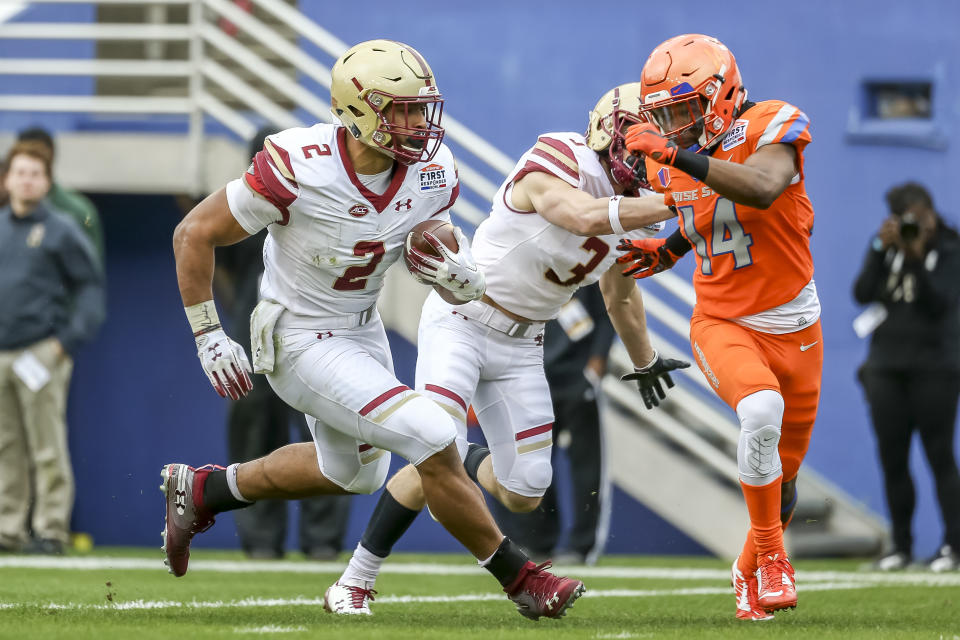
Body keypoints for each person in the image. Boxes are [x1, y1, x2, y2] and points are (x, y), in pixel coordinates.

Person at [160, 39, 586, 621]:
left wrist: (454, 273)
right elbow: (194, 233)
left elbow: (426, 242)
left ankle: (205, 490)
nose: (417, 124)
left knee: (354, 474)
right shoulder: (300, 164)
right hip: (298, 336)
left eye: (420, 109)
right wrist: (208, 334)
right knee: (434, 435)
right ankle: (521, 579)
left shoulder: (431, 172)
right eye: (401, 110)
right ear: (358, 111)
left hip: (361, 329)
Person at [327, 82, 687, 614]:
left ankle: (461, 459)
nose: (649, 157)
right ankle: (356, 579)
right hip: (463, 320)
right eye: (642, 143)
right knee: (432, 449)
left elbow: (620, 290)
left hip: (525, 346)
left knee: (525, 489)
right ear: (610, 134)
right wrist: (684, 196)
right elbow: (582, 217)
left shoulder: (640, 204)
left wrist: (644, 359)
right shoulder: (559, 156)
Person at [618, 34, 821, 620]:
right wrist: (671, 250)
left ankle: (747, 569)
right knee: (758, 411)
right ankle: (774, 559)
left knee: (782, 482)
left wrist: (675, 155)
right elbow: (708, 212)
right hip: (723, 321)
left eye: (684, 110)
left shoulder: (771, 122)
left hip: (797, 325)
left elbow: (759, 189)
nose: (676, 127)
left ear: (722, 93)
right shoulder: (671, 161)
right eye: (665, 116)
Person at [216, 126, 351, 561]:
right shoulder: (243, 205)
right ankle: (259, 541)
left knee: (329, 429)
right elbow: (223, 264)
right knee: (253, 426)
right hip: (252, 326)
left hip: (314, 328)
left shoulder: (318, 205)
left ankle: (323, 542)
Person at [0, 141, 105, 554]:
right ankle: (9, 529)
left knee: (46, 445)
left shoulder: (62, 229)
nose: (26, 180)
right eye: (19, 172)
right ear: (7, 179)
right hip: (2, 353)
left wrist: (65, 343)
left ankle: (50, 529)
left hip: (41, 352)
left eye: (34, 174)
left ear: (47, 182)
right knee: (5, 445)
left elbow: (90, 287)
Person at [853, 182, 960, 573]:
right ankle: (900, 547)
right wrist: (882, 249)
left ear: (931, 212)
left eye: (920, 216)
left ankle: (954, 546)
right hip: (885, 366)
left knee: (940, 456)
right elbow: (862, 292)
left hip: (936, 367)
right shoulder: (886, 246)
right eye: (905, 218)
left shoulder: (951, 247)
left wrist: (915, 257)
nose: (917, 224)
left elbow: (939, 305)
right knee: (892, 459)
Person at [492, 284, 616, 566]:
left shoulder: (590, 258)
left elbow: (611, 308)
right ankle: (539, 543)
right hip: (533, 378)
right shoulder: (525, 256)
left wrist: (597, 363)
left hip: (577, 377)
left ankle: (582, 546)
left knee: (586, 468)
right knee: (534, 464)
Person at [16, 127, 105, 264]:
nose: (27, 180)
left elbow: (91, 271)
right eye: (21, 171)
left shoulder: (79, 212)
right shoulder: (4, 214)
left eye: (35, 171)